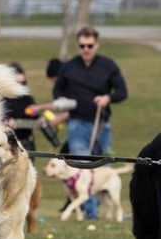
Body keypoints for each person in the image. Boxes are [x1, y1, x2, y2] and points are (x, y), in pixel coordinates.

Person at [53, 26, 128, 219]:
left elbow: (122, 92)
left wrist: (107, 98)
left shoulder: (108, 66)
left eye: (89, 45)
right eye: (81, 46)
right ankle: (91, 212)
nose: (85, 49)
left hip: (102, 123)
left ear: (96, 45)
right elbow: (58, 89)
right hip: (76, 124)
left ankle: (113, 211)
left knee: (104, 165)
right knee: (83, 167)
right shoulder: (69, 67)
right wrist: (60, 98)